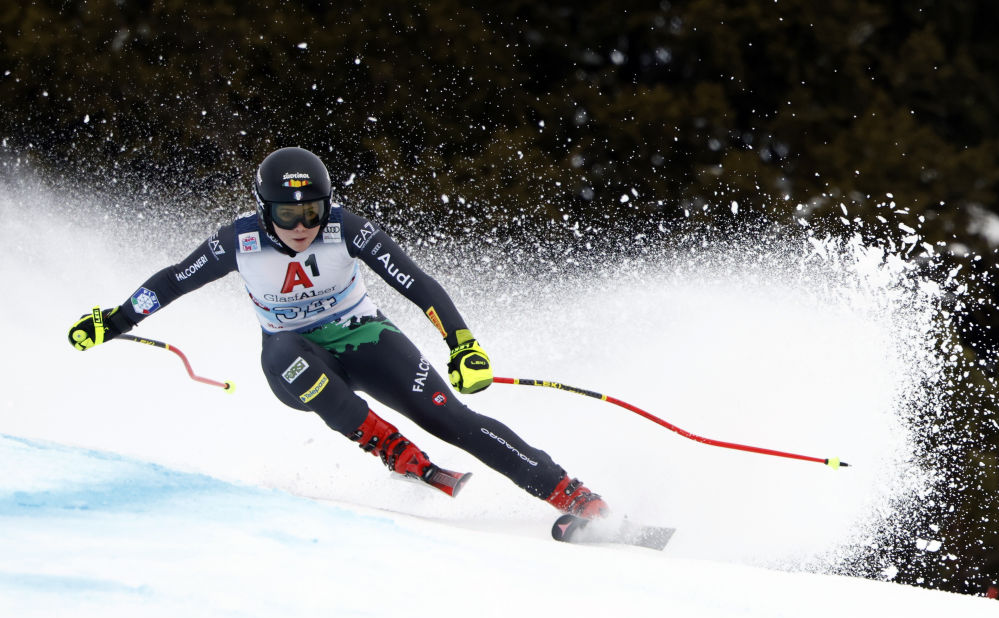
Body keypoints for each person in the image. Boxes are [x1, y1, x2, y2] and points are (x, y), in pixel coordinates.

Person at [68, 147, 608, 519]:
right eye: (286, 214)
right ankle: (392, 449)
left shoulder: (343, 228)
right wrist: (115, 321)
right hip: (294, 360)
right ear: (263, 211)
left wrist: (462, 344)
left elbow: (416, 283)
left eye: (311, 211)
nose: (302, 226)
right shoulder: (239, 241)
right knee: (288, 351)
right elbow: (172, 281)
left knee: (452, 417)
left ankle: (573, 495)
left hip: (364, 338)